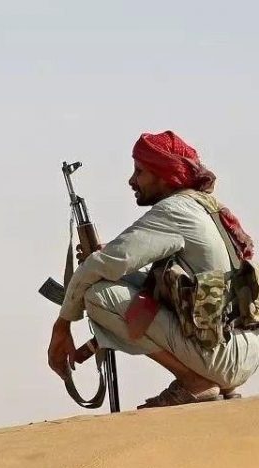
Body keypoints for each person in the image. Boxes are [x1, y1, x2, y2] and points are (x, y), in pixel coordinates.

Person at [47, 130, 259, 408]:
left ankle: (194, 382)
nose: (132, 181)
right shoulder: (204, 205)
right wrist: (105, 255)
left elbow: (102, 265)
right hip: (243, 352)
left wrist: (62, 325)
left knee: (98, 295)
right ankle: (211, 379)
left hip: (222, 355)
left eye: (140, 172)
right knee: (119, 281)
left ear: (164, 174)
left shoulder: (173, 210)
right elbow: (164, 282)